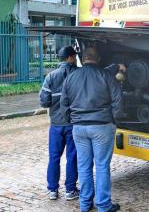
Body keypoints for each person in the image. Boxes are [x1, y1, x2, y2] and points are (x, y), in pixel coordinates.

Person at [60, 47, 124, 212]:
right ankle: (103, 205)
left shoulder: (71, 77)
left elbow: (64, 104)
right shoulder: (107, 76)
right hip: (102, 126)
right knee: (102, 165)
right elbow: (118, 101)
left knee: (84, 166)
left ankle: (85, 204)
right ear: (99, 58)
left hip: (79, 128)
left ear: (82, 58)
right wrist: (113, 121)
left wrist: (72, 120)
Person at [39, 46, 80, 200]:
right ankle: (70, 190)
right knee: (72, 157)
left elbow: (44, 101)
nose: (75, 59)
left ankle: (53, 190)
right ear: (70, 57)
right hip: (73, 124)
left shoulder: (50, 77)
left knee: (54, 157)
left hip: (56, 125)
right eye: (75, 57)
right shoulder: (78, 74)